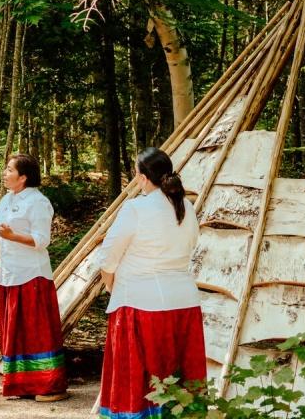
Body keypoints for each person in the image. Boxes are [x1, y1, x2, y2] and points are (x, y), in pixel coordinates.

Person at [96, 147, 205, 419]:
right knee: (179, 377)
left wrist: (112, 287)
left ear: (142, 178)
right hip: (184, 303)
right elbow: (191, 246)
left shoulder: (136, 208)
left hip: (140, 304)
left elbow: (108, 258)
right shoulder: (187, 207)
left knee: (139, 380)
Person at [0, 154, 68, 401]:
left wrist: (11, 236)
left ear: (24, 177)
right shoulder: (7, 199)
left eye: (9, 170)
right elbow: (5, 234)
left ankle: (48, 385)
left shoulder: (38, 202)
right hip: (9, 274)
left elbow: (42, 240)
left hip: (32, 275)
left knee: (35, 330)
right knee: (13, 329)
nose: (5, 173)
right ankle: (17, 381)